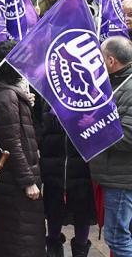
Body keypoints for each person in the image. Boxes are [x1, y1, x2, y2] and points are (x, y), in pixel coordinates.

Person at [0, 41, 46, 256]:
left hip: (2, 180)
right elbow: (13, 144)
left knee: (3, 236)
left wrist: (24, 101)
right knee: (20, 240)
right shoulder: (7, 98)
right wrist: (29, 182)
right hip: (13, 182)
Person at [92, 36, 132, 256]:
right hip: (118, 175)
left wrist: (94, 127)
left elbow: (128, 137)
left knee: (118, 239)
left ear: (110, 60)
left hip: (122, 179)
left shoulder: (129, 88)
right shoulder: (117, 82)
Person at [39, 106, 96, 256]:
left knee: (82, 215)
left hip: (82, 171)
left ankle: (80, 250)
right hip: (54, 170)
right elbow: (39, 131)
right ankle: (53, 248)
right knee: (53, 214)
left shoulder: (90, 102)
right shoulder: (49, 100)